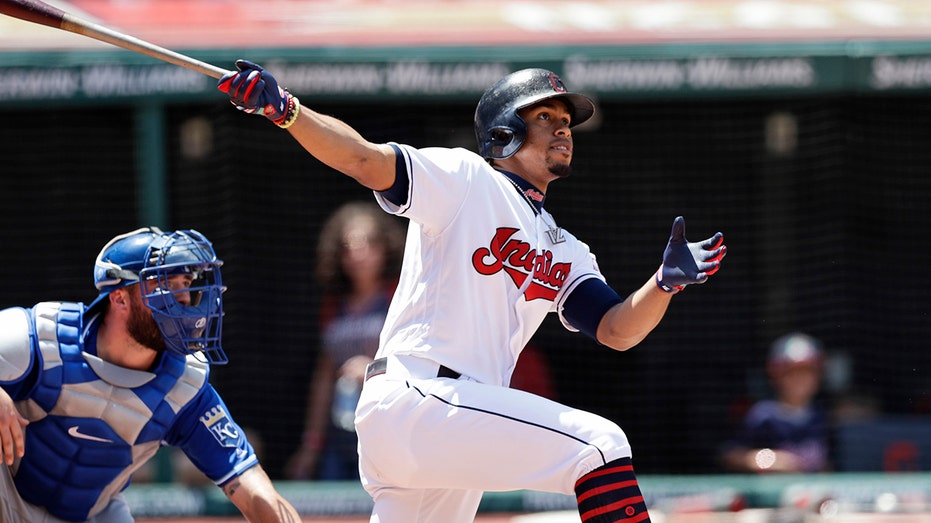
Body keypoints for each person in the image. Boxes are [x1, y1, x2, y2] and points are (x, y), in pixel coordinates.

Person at [219, 62, 726, 523]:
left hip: (453, 422)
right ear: (504, 132)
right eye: (545, 115)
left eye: (566, 119)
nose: (563, 126)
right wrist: (288, 111)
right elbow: (364, 160)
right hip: (421, 397)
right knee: (600, 445)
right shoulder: (466, 178)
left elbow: (616, 329)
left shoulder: (566, 248)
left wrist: (662, 286)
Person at [0, 227, 301, 522]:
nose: (185, 300)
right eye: (169, 285)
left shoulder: (184, 387)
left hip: (91, 514)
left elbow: (252, 488)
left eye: (187, 284)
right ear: (119, 298)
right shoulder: (38, 339)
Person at [286, 201, 405, 481]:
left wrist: (371, 369)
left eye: (366, 243)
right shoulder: (333, 305)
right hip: (340, 435)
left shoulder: (400, 296)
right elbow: (324, 377)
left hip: (390, 430)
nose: (357, 253)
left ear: (384, 247)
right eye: (347, 246)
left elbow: (419, 361)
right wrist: (311, 446)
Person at [720, 332, 830, 474]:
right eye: (792, 372)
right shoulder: (763, 415)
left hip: (809, 492)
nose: (800, 380)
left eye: (807, 372)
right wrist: (770, 460)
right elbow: (730, 455)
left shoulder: (821, 415)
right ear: (776, 375)